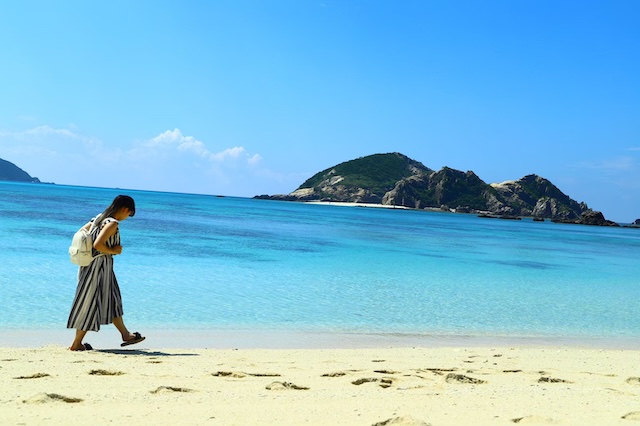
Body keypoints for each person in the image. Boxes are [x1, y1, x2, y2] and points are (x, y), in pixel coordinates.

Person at [67, 195, 146, 351]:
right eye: (129, 214)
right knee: (89, 302)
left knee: (112, 298)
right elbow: (98, 245)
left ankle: (125, 334)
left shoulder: (98, 219)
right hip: (99, 267)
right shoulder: (112, 224)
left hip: (94, 265)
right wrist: (113, 250)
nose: (127, 217)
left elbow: (80, 234)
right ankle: (76, 344)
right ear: (125, 209)